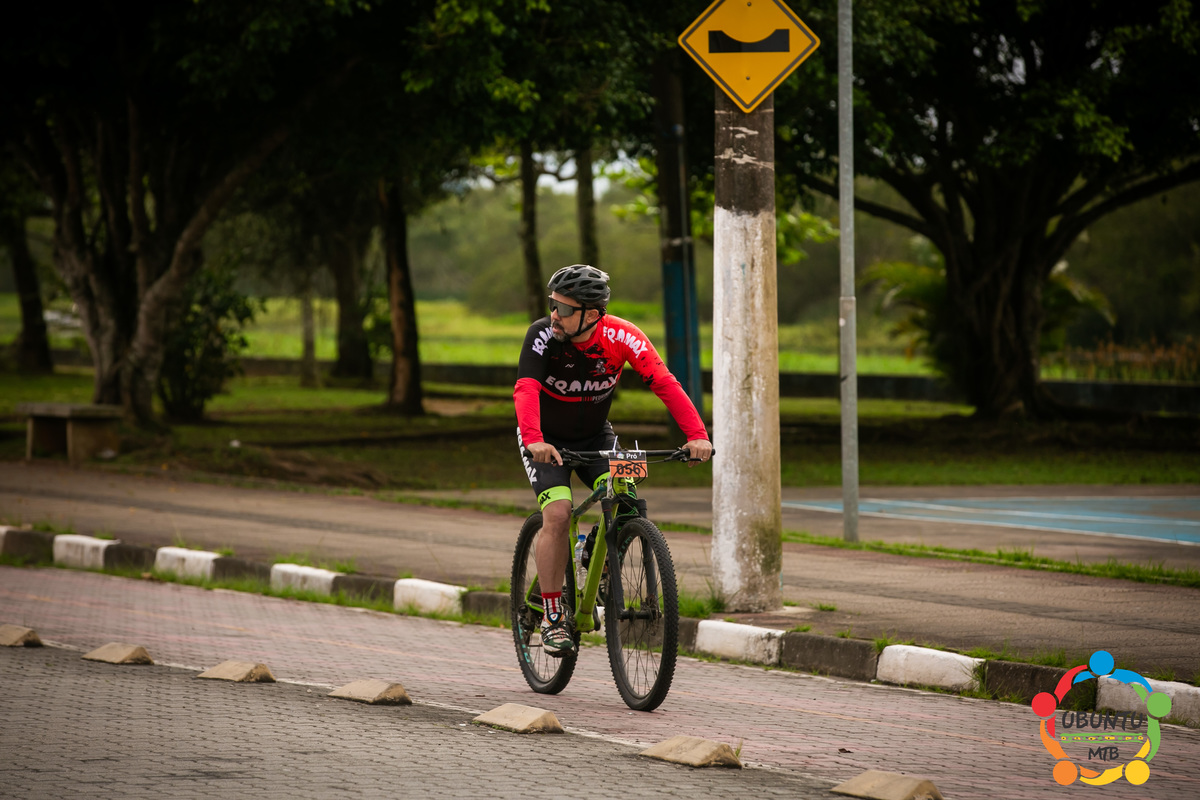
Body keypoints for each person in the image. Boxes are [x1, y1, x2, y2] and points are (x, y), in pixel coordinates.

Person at [514, 264, 713, 657]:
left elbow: (664, 382)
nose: (554, 315)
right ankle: (553, 615)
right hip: (544, 439)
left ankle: (599, 557)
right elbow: (526, 388)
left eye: (564, 309)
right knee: (559, 514)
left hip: (596, 436)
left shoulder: (622, 336)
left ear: (591, 314)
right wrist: (534, 440)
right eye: (553, 304)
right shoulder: (542, 335)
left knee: (628, 496)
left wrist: (697, 435)